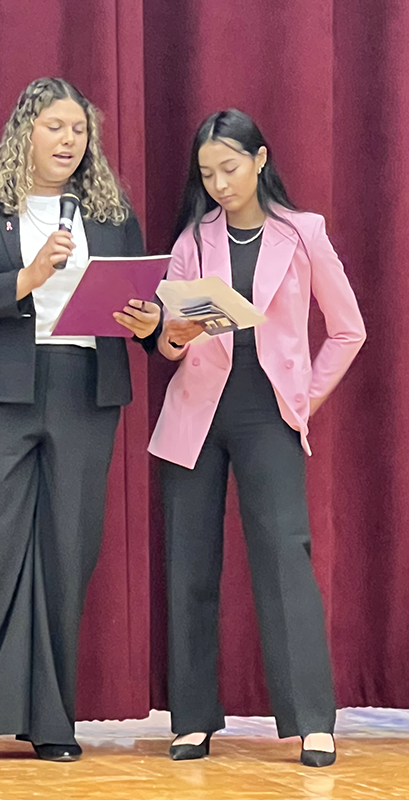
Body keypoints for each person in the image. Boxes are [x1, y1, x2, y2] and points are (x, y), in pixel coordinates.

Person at [0, 77, 160, 763]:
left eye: (80, 130)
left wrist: (150, 325)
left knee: (68, 554)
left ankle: (52, 720)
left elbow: (144, 305)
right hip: (0, 390)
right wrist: (25, 280)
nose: (70, 141)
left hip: (83, 390)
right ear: (25, 131)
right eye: (56, 127)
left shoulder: (112, 212)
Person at [148, 109, 366, 767]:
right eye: (208, 172)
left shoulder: (302, 234)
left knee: (283, 558)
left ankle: (311, 721)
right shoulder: (193, 238)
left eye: (230, 168)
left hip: (268, 414)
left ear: (261, 160)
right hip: (195, 414)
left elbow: (349, 329)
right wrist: (173, 334)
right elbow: (168, 343)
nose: (218, 183)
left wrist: (303, 399)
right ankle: (191, 720)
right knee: (189, 563)